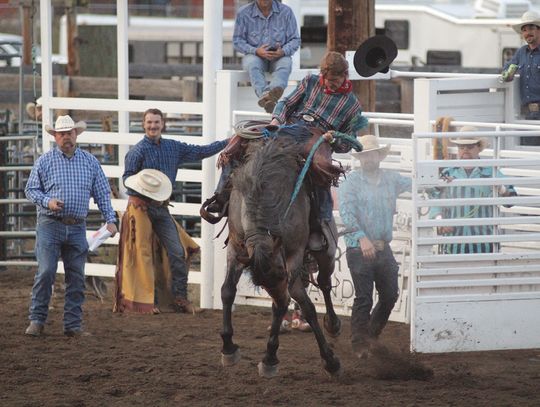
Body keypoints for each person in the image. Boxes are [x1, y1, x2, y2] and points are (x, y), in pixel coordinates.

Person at [118, 108, 228, 314]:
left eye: (156, 122)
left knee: (177, 252)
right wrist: (142, 185)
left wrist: (228, 142)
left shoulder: (173, 148)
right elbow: (127, 178)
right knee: (143, 254)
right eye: (149, 122)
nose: (153, 126)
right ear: (144, 124)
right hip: (140, 207)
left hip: (161, 208)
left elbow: (201, 151)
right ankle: (150, 301)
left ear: (162, 124)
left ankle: (179, 298)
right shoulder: (137, 151)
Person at [24, 115, 118, 337]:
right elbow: (31, 190)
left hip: (76, 225)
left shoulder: (90, 162)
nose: (66, 137)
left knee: (76, 275)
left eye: (70, 132)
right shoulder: (45, 161)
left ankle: (72, 324)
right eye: (62, 133)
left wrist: (110, 219)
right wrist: (48, 202)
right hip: (50, 223)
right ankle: (37, 319)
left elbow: (102, 192)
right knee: (46, 271)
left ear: (76, 134)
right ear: (55, 137)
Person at [270, 50, 369, 249]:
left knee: (323, 168)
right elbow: (286, 102)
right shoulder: (310, 82)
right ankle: (232, 198)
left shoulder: (352, 106)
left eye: (335, 79)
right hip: (294, 127)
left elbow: (347, 142)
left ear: (345, 76)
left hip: (321, 138)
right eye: (327, 78)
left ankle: (320, 223)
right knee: (258, 148)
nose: (330, 83)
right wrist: (276, 119)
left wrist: (333, 140)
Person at [338, 134, 411, 359]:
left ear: (379, 156)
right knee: (364, 296)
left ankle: (370, 336)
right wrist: (362, 238)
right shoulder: (351, 181)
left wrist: (438, 180)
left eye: (372, 155)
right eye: (365, 156)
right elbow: (347, 213)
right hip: (358, 246)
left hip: (381, 245)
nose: (368, 159)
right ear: (361, 159)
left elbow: (417, 183)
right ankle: (360, 344)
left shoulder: (391, 179)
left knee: (389, 294)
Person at [430, 128, 517, 254]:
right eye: (461, 147)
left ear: (478, 148)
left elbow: (511, 200)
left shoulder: (491, 172)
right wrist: (440, 220)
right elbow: (434, 198)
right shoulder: (447, 172)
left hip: (485, 245)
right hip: (452, 244)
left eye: (469, 147)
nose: (465, 150)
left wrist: (501, 188)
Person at [233, 0, 301, 113]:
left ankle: (270, 95)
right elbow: (237, 41)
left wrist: (283, 51)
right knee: (253, 64)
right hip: (254, 55)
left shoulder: (286, 12)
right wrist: (256, 51)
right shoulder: (243, 13)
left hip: (279, 56)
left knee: (286, 63)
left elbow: (295, 39)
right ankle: (266, 96)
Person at [502, 11, 540, 121]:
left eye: (531, 28)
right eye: (524, 30)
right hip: (527, 114)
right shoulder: (521, 52)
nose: (527, 33)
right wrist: (507, 75)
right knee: (526, 138)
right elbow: (506, 69)